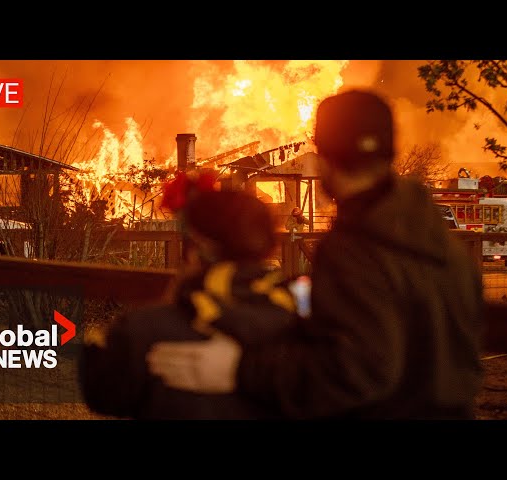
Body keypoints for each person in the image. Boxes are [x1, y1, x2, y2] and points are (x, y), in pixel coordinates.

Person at [146, 90, 485, 420]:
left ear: (325, 156)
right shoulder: (442, 244)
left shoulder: (356, 249)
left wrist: (238, 369)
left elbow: (358, 369)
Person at [79, 173, 300, 419]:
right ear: (266, 246)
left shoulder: (145, 330)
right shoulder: (304, 328)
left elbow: (101, 393)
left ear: (196, 248)